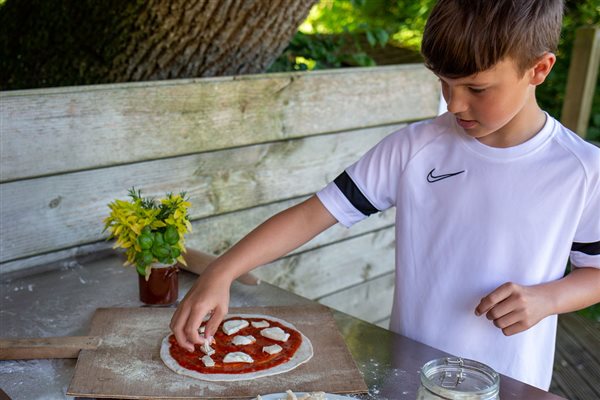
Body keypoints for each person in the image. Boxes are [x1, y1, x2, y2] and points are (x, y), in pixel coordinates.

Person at [170, 0, 600, 390]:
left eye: (476, 88)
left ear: (539, 70)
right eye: (443, 83)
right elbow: (312, 215)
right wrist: (221, 272)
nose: (452, 105)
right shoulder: (414, 147)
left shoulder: (582, 170)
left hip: (512, 383)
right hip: (408, 374)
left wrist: (549, 299)